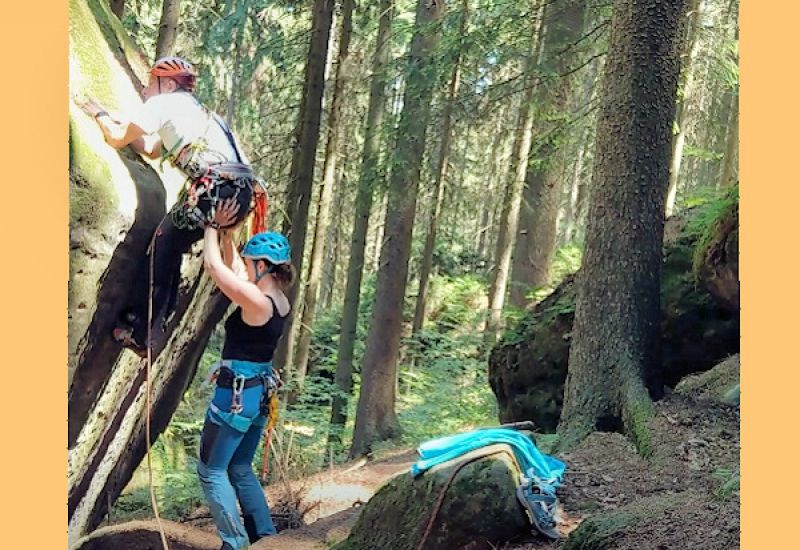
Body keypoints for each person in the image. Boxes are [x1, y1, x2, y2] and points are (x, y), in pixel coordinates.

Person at [79, 56, 268, 356]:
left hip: (213, 188)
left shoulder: (162, 105)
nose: (144, 89)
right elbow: (153, 149)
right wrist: (119, 120)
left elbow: (117, 139)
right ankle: (150, 329)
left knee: (163, 243)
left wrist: (99, 114)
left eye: (149, 82)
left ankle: (138, 327)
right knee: (170, 245)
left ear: (167, 84)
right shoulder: (201, 113)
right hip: (240, 191)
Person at [198, 199, 293, 550]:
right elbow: (237, 273)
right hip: (256, 395)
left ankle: (234, 543)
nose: (248, 267)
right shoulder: (277, 299)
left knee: (211, 471)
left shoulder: (256, 302)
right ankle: (264, 536)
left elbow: (216, 270)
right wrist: (227, 238)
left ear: (264, 266)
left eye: (253, 263)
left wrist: (210, 226)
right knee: (239, 467)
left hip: (234, 396)